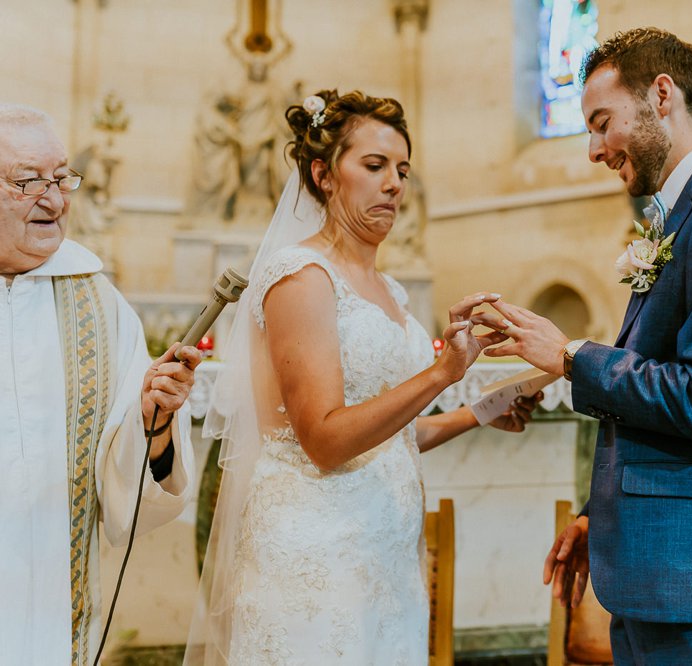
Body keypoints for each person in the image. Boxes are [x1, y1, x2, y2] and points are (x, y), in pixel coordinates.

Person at [477, 28, 692, 664]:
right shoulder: (681, 216)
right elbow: (658, 388)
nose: (592, 149)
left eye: (601, 122)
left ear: (661, 95)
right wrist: (597, 514)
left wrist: (569, 357)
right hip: (662, 569)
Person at [186, 89, 541, 665]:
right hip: (315, 558)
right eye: (374, 166)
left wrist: (480, 410)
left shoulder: (393, 293)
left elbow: (390, 439)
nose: (395, 183)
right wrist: (442, 374)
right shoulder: (299, 277)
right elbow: (326, 440)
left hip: (385, 560)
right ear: (324, 175)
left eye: (402, 170)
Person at [0, 103, 200, 665]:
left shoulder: (98, 305)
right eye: (27, 182)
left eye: (62, 178)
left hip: (53, 599)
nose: (56, 199)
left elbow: (127, 478)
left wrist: (153, 422)